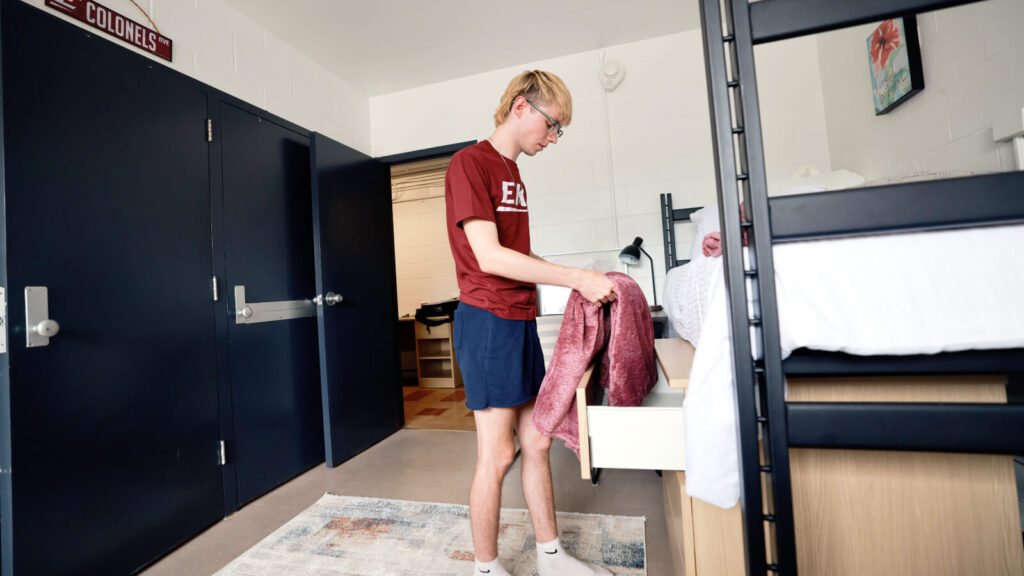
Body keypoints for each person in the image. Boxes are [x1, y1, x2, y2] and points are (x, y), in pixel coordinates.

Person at [445, 70, 616, 576]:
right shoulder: (468, 164)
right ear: (521, 107)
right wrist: (574, 278)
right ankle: (485, 568)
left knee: (537, 441)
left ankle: (550, 557)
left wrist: (583, 277)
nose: (554, 137)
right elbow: (490, 257)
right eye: (552, 124)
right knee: (497, 455)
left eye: (559, 129)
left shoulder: (512, 173)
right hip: (488, 322)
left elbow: (518, 254)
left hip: (517, 320)